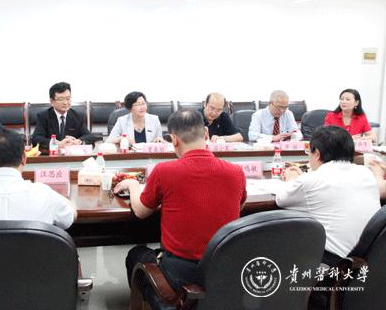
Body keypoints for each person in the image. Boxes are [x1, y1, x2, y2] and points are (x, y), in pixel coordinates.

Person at [114, 110, 246, 301]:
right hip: (225, 269)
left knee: (136, 254)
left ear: (174, 140)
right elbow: (239, 206)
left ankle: (159, 302)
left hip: (181, 272)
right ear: (206, 134)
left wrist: (133, 185)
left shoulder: (164, 171)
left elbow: (141, 212)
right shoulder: (236, 172)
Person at [277, 126, 380, 265]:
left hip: (335, 263)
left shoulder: (311, 179)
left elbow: (281, 200)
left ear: (317, 153)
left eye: (309, 151)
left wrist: (292, 179)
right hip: (372, 260)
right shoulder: (365, 173)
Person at [30, 82, 95, 150]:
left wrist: (78, 141)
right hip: (52, 154)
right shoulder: (43, 116)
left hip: (71, 154)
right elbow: (36, 139)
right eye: (61, 99)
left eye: (68, 98)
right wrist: (57, 144)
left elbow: (89, 136)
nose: (65, 102)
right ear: (52, 101)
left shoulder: (78, 116)